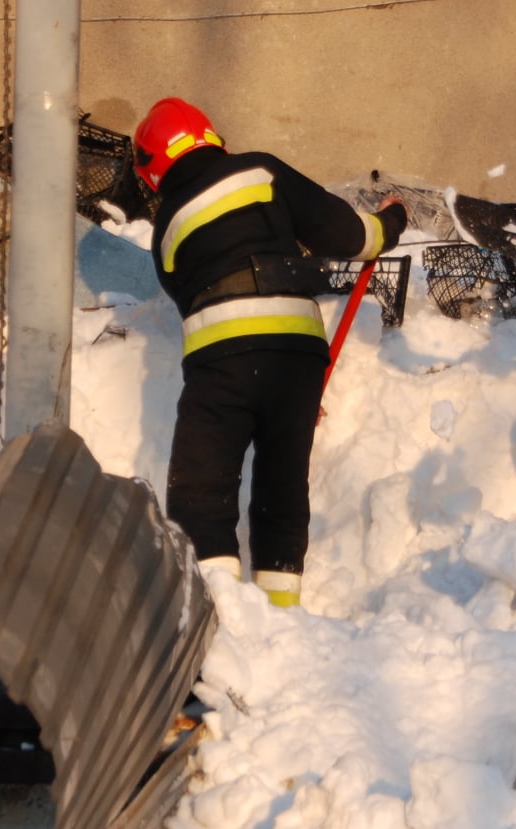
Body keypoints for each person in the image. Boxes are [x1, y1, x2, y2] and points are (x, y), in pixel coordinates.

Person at [133, 97, 406, 608]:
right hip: (295, 356)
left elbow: (189, 295)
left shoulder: (165, 228)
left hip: (221, 361)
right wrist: (390, 224)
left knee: (201, 490)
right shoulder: (260, 171)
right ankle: (282, 616)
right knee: (282, 486)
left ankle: (220, 620)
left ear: (152, 171)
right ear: (213, 140)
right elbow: (350, 235)